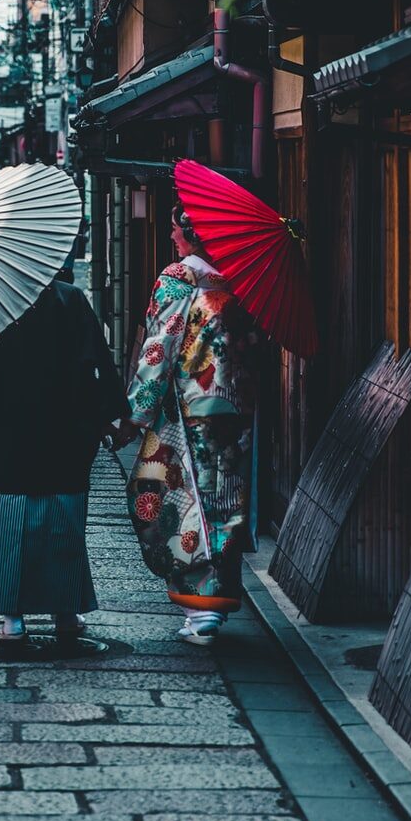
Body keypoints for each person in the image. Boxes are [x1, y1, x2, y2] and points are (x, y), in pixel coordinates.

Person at [0, 257, 128, 641]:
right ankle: (65, 614)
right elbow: (97, 365)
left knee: (7, 526)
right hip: (65, 434)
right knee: (63, 524)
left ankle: (12, 620)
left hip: (6, 437)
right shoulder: (70, 299)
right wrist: (110, 416)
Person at [114, 202, 257, 645]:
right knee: (225, 498)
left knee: (177, 493)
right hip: (234, 403)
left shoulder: (180, 278)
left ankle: (200, 608)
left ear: (192, 234)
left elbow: (160, 346)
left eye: (176, 229)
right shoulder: (238, 278)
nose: (172, 236)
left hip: (188, 406)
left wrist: (137, 410)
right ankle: (215, 602)